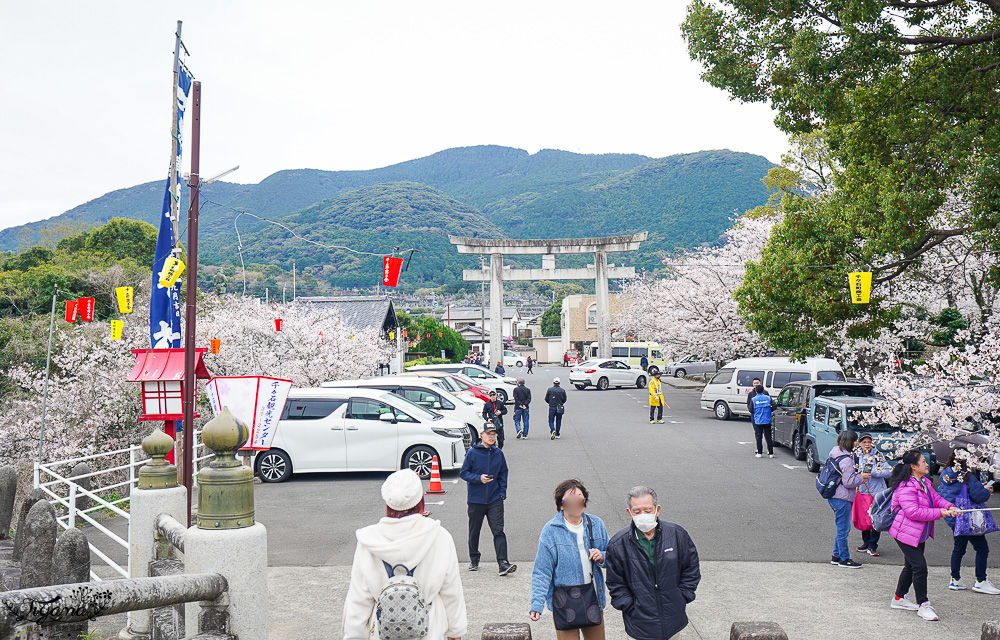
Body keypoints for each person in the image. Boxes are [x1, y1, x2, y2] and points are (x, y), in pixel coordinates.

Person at [342, 469, 467, 640]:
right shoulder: (439, 536)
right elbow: (451, 592)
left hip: (384, 631)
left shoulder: (368, 541)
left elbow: (359, 599)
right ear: (421, 500)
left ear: (388, 502)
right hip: (430, 629)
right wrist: (456, 632)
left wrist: (354, 636)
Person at [605, 486, 700, 640]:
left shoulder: (677, 534)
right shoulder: (618, 544)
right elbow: (615, 582)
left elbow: (691, 568)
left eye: (648, 510)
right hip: (639, 625)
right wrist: (630, 606)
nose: (643, 515)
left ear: (657, 510)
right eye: (637, 511)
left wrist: (682, 596)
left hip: (673, 619)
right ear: (629, 512)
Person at [529, 479, 611, 639]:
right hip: (564, 603)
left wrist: (602, 557)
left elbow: (613, 557)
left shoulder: (596, 524)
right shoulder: (551, 531)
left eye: (580, 499)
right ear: (561, 505)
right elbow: (542, 571)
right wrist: (537, 603)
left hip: (592, 599)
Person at [888, 450, 960, 621]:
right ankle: (923, 605)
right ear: (913, 466)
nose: (927, 464)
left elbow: (936, 499)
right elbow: (913, 512)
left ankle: (898, 598)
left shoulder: (924, 482)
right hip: (904, 532)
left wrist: (949, 507)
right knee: (920, 567)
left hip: (917, 533)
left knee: (911, 566)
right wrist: (940, 513)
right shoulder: (906, 486)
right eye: (922, 461)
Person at [937, 451, 999, 594]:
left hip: (954, 518)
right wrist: (986, 491)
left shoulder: (946, 475)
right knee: (982, 548)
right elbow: (979, 496)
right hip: (967, 518)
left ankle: (955, 579)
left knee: (959, 548)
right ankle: (981, 581)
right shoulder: (966, 476)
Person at [459, 422, 516, 576]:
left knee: (498, 531)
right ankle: (474, 558)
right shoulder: (472, 453)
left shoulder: (498, 453)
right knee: (474, 531)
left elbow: (503, 473)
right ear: (481, 435)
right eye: (488, 434)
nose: (492, 437)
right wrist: (479, 478)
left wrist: (502, 493)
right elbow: (464, 473)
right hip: (476, 499)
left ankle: (503, 563)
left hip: (494, 499)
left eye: (493, 434)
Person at [826, 429, 864, 568]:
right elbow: (848, 482)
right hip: (842, 497)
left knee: (842, 528)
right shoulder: (847, 460)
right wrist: (861, 477)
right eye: (855, 440)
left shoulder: (835, 454)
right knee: (843, 529)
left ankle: (836, 556)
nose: (857, 443)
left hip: (834, 496)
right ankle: (844, 559)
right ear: (850, 442)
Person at [854, 433, 892, 557]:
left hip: (877, 492)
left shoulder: (877, 455)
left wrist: (873, 471)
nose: (867, 444)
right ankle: (865, 543)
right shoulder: (855, 456)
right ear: (859, 443)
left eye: (869, 442)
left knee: (876, 517)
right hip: (862, 491)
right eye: (864, 442)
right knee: (864, 517)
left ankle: (872, 545)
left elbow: (889, 472)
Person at [750, 384, 775, 459]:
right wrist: (769, 411)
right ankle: (771, 453)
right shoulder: (768, 398)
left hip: (758, 420)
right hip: (767, 420)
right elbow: (774, 405)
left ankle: (759, 453)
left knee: (758, 437)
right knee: (768, 437)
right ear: (763, 390)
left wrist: (756, 413)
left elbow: (750, 409)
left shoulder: (753, 399)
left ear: (756, 391)